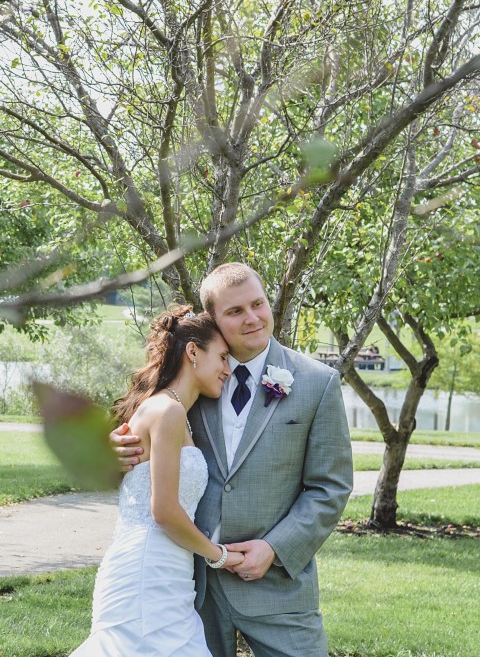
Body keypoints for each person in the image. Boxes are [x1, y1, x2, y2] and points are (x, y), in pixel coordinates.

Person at [112, 263, 354, 657]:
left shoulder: (317, 382)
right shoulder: (194, 380)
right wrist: (118, 447)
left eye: (258, 304)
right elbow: (146, 430)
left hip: (277, 589)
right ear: (214, 320)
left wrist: (274, 548)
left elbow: (330, 487)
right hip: (191, 588)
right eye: (235, 311)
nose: (253, 318)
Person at [72, 305, 241, 656]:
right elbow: (163, 511)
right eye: (223, 357)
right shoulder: (168, 411)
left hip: (168, 575)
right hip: (148, 573)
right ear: (193, 351)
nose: (228, 370)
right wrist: (220, 556)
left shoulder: (173, 410)